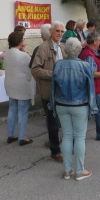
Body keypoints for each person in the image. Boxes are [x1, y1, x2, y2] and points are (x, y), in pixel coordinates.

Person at [50, 38, 96, 180]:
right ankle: (79, 171)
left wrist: (53, 105)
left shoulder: (58, 65)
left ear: (65, 50)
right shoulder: (85, 66)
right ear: (79, 50)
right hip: (79, 105)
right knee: (79, 137)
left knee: (67, 135)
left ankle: (67, 170)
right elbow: (91, 89)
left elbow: (53, 88)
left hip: (61, 104)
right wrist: (92, 106)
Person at [31, 21, 67, 162]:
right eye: (57, 31)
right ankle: (55, 151)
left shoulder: (62, 47)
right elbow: (35, 69)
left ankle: (62, 145)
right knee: (52, 122)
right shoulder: (43, 48)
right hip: (49, 91)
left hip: (62, 89)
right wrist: (53, 74)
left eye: (61, 32)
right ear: (51, 31)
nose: (59, 34)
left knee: (63, 120)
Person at [4, 31, 33, 145]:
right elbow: (30, 69)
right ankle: (23, 137)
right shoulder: (23, 55)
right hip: (22, 86)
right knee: (22, 111)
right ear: (21, 42)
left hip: (10, 84)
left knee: (12, 109)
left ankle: (11, 135)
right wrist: (25, 52)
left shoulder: (7, 53)